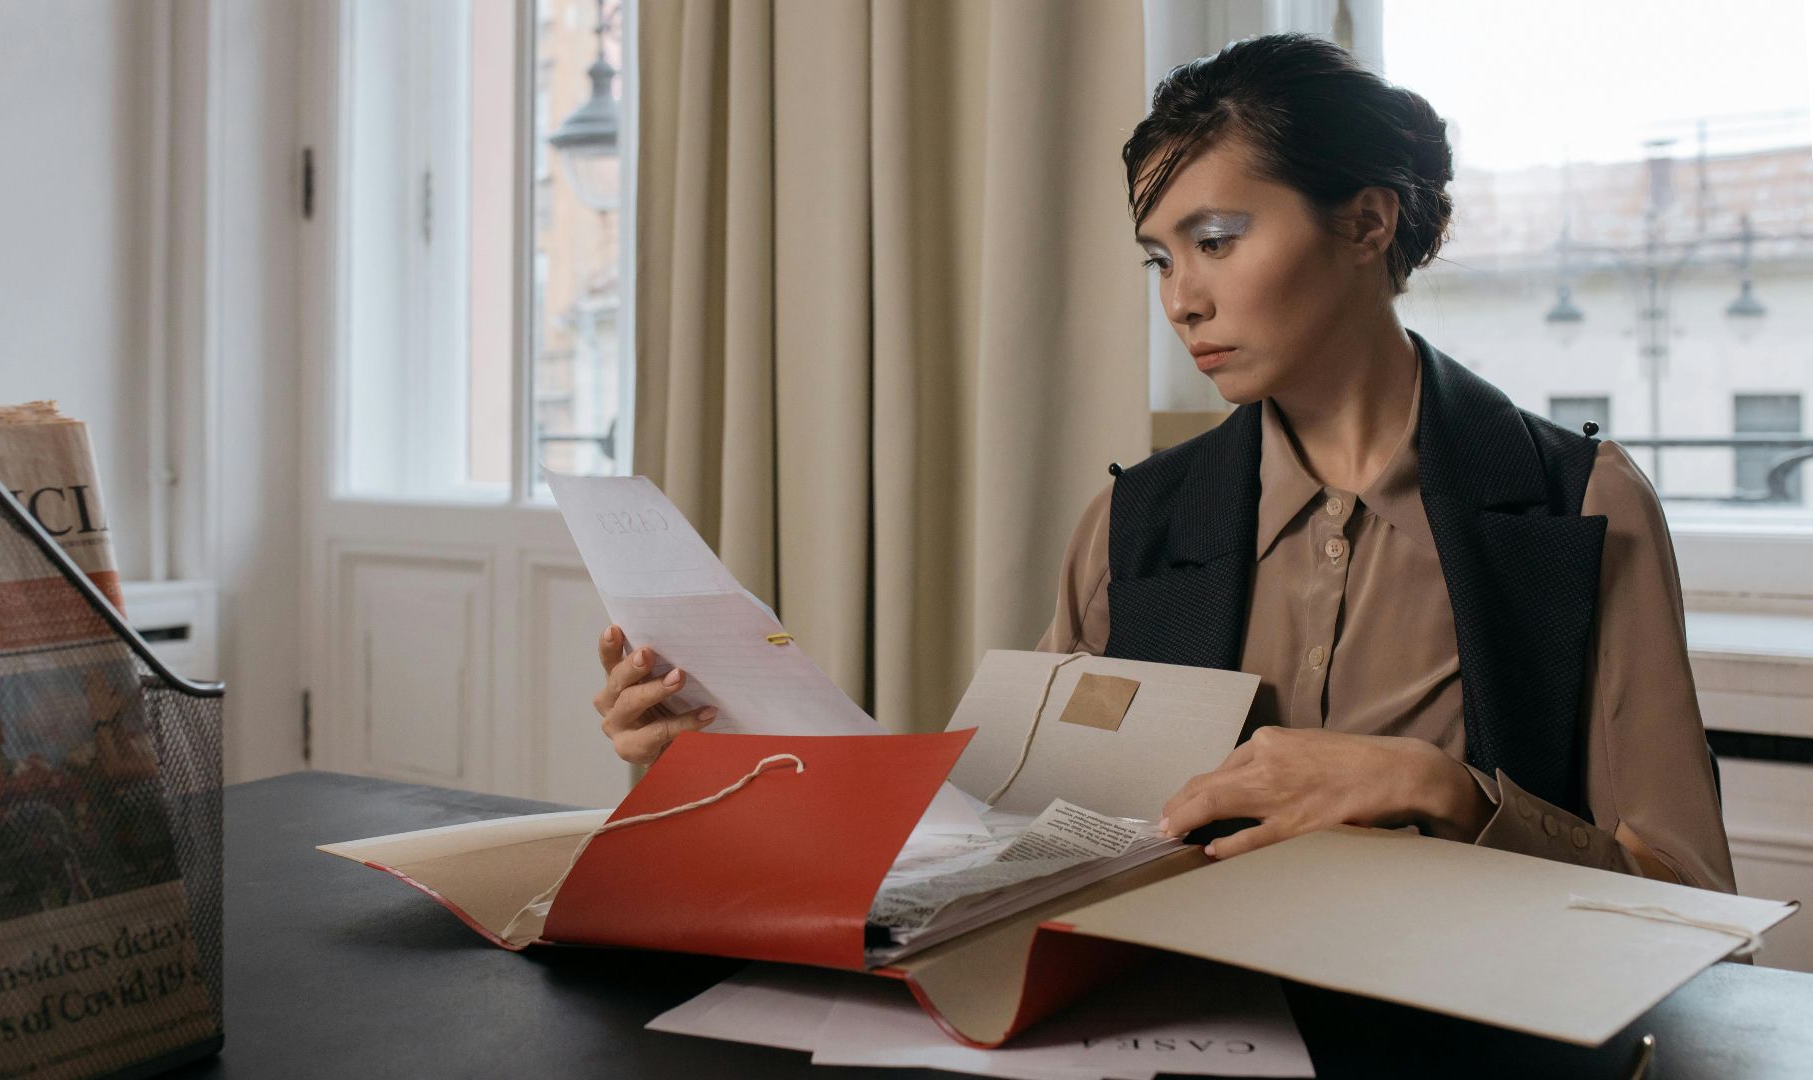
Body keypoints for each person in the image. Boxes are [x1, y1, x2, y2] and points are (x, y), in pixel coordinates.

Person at [592, 31, 1734, 892]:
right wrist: (723, 765)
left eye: (1217, 240)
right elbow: (999, 842)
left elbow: (1689, 901)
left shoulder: (1577, 509)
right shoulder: (1132, 526)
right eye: (1159, 258)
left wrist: (1446, 794)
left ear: (1367, 224)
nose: (1183, 299)